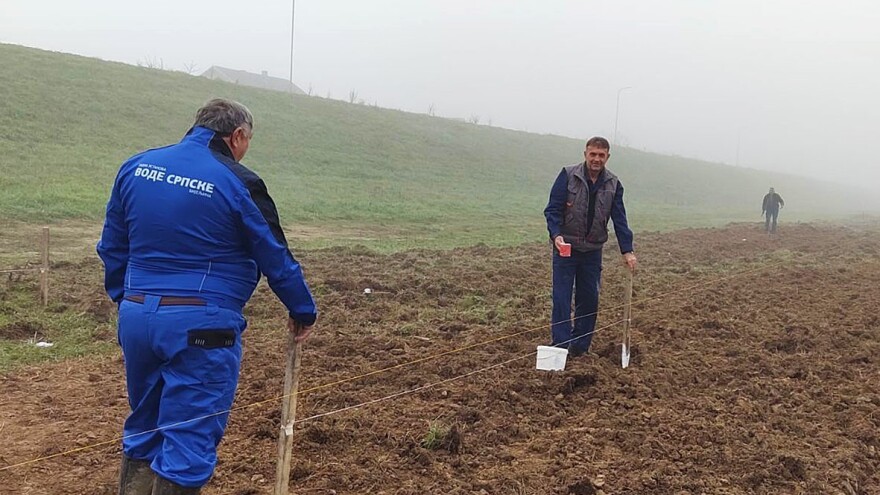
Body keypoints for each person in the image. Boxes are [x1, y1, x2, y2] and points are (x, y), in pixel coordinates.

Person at [97, 99, 317, 494]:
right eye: (248, 140)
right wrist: (302, 308)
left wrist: (125, 297)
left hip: (137, 318)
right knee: (189, 440)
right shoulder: (239, 182)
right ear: (236, 136)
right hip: (202, 327)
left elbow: (112, 245)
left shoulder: (136, 166)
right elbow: (274, 254)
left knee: (144, 426)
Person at [543, 136, 637, 357]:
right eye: (593, 154)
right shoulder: (567, 176)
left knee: (590, 299)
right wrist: (556, 235)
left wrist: (627, 250)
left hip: (592, 252)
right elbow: (552, 210)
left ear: (607, 157)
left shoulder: (614, 184)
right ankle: (560, 348)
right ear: (585, 153)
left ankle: (580, 348)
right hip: (566, 249)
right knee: (562, 299)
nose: (596, 159)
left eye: (601, 155)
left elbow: (620, 219)